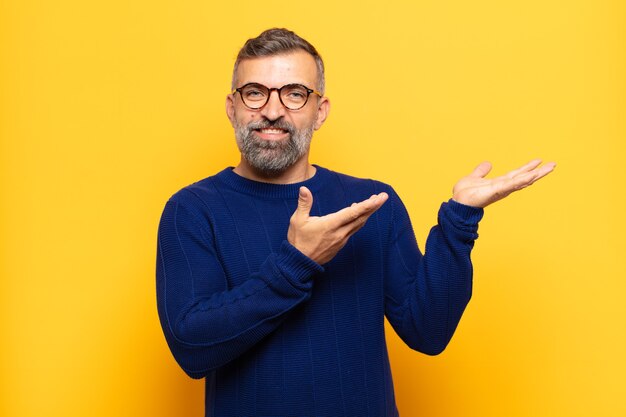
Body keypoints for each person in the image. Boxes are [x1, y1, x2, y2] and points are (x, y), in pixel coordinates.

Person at [156, 28, 555, 417]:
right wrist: (296, 262)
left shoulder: (371, 204)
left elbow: (429, 332)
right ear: (232, 107)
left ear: (320, 111)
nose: (273, 111)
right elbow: (193, 348)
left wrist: (460, 219)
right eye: (255, 93)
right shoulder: (191, 210)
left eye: (295, 94)